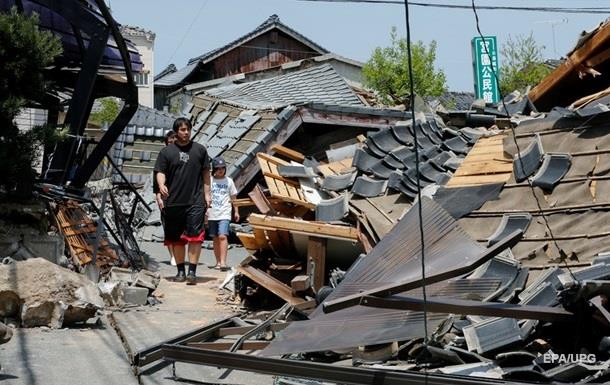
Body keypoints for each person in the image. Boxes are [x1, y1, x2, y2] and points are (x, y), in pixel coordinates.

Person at [154, 117, 211, 285]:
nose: (186, 133)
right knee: (176, 239)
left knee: (195, 237)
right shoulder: (167, 152)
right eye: (182, 130)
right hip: (173, 202)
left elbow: (206, 174)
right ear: (176, 132)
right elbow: (160, 171)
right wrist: (161, 184)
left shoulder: (200, 150)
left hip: (195, 200)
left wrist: (207, 195)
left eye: (188, 129)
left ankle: (192, 272)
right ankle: (180, 271)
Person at [207, 157, 239, 271]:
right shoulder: (209, 181)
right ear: (214, 169)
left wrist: (236, 211)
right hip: (212, 213)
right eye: (218, 168)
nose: (220, 170)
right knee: (215, 238)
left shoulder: (229, 181)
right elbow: (204, 196)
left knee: (222, 236)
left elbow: (233, 197)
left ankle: (224, 262)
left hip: (224, 212)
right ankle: (218, 262)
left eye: (222, 168)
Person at [153, 130, 177, 265]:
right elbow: (156, 178)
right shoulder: (162, 156)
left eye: (174, 141)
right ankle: (172, 255)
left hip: (180, 197)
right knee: (168, 227)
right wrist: (158, 196)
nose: (172, 144)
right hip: (166, 196)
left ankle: (179, 254)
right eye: (169, 142)